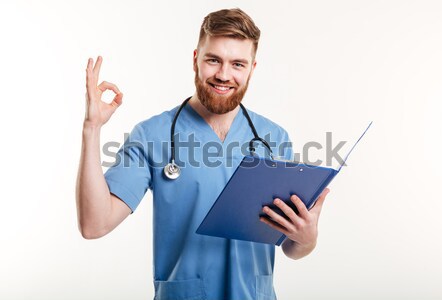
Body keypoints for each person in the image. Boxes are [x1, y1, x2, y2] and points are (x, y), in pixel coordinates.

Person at [77, 8, 330, 300]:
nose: (224, 75)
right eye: (213, 60)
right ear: (195, 58)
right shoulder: (152, 135)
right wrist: (91, 128)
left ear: (252, 68)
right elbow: (94, 224)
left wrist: (308, 238)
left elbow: (291, 246)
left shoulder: (275, 139)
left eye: (237, 64)